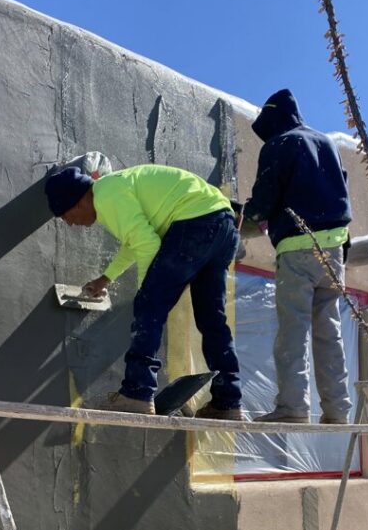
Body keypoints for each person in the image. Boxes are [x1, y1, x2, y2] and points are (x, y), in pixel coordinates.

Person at [45, 164, 242, 418]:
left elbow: (148, 245)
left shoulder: (105, 194)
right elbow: (134, 242)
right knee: (212, 320)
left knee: (149, 306)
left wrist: (147, 296)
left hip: (196, 222)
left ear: (76, 202)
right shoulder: (113, 191)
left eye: (66, 216)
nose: (71, 224)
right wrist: (106, 278)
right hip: (223, 224)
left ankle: (137, 393)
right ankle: (227, 403)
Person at [244, 89, 353, 425]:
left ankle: (293, 407)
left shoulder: (280, 144)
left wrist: (246, 217)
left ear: (274, 120)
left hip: (297, 246)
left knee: (294, 329)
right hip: (334, 250)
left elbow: (264, 199)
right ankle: (337, 411)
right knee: (328, 331)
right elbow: (341, 190)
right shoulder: (326, 143)